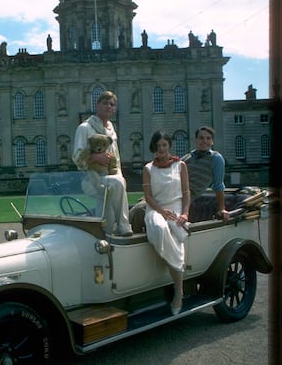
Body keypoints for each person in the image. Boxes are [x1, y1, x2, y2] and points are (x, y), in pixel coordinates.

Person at [72, 91, 133, 236]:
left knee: (110, 200)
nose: (108, 106)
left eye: (112, 104)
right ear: (97, 105)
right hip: (91, 178)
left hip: (111, 176)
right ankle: (124, 226)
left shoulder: (111, 130)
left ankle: (105, 231)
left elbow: (116, 159)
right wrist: (95, 158)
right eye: (105, 103)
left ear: (114, 109)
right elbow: (76, 157)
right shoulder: (85, 128)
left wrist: (118, 174)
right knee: (116, 183)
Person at [143, 131, 190, 315]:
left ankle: (178, 291)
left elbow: (186, 193)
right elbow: (148, 197)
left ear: (169, 146)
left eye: (164, 145)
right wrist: (162, 212)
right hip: (155, 209)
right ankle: (179, 267)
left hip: (177, 209)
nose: (161, 149)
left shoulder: (180, 165)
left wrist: (185, 214)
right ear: (153, 147)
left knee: (176, 232)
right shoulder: (148, 168)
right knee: (159, 228)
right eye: (158, 146)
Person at [181, 126, 230, 222]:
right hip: (171, 194)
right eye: (201, 138)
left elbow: (218, 185)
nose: (205, 141)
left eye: (208, 138)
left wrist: (222, 209)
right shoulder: (186, 158)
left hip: (183, 202)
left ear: (212, 142)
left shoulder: (216, 158)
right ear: (196, 140)